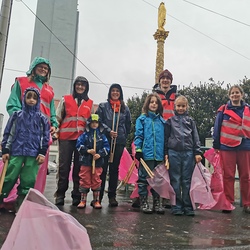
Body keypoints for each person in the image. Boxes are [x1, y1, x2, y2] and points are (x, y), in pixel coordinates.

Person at [5, 57, 57, 196]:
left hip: (40, 135)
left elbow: (52, 112)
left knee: (35, 170)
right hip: (21, 132)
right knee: (12, 168)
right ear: (33, 67)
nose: (43, 69)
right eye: (40, 66)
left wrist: (54, 125)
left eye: (46, 68)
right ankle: (6, 196)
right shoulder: (21, 82)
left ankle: (30, 198)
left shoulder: (49, 90)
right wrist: (20, 121)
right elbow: (12, 104)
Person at [0, 87, 50, 209]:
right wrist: (5, 149)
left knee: (29, 179)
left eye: (34, 97)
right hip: (16, 150)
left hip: (33, 153)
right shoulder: (17, 116)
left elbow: (45, 136)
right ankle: (1, 196)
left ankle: (21, 203)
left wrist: (42, 152)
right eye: (29, 97)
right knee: (10, 175)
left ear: (38, 100)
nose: (31, 100)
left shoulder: (42, 119)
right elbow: (9, 133)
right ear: (24, 99)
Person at [54, 76, 93, 206]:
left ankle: (77, 195)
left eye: (83, 85)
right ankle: (60, 195)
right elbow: (58, 117)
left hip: (81, 141)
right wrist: (55, 132)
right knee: (63, 168)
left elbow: (90, 124)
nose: (80, 87)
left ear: (86, 88)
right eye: (78, 84)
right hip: (65, 139)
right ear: (75, 86)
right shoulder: (66, 99)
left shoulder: (89, 103)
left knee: (79, 169)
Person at [213, 85, 250, 214]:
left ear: (241, 94)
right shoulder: (223, 110)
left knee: (245, 176)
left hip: (245, 146)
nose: (235, 95)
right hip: (226, 147)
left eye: (237, 92)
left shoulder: (248, 109)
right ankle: (228, 202)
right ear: (229, 96)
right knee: (228, 176)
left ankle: (247, 203)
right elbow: (217, 128)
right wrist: (216, 145)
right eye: (232, 93)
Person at [165, 95, 202, 216]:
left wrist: (197, 152)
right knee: (175, 179)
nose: (181, 108)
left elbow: (195, 137)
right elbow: (166, 139)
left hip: (188, 153)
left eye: (183, 106)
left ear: (187, 107)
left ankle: (188, 205)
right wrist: (166, 153)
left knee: (187, 180)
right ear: (175, 107)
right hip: (174, 152)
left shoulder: (191, 121)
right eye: (178, 106)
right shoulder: (170, 121)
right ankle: (176, 206)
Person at [96, 83, 131, 207]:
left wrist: (122, 136)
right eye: (113, 90)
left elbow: (128, 125)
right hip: (104, 141)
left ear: (120, 93)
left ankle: (112, 196)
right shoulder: (103, 106)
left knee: (114, 169)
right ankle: (98, 196)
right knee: (103, 168)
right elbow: (98, 122)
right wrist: (108, 131)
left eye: (117, 91)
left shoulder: (125, 108)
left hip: (119, 142)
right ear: (110, 92)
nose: (115, 93)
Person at [134, 93, 166, 214]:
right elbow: (138, 135)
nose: (154, 104)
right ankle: (144, 202)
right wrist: (138, 150)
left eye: (156, 102)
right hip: (146, 155)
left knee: (158, 180)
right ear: (148, 104)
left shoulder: (162, 122)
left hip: (158, 155)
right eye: (151, 102)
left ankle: (157, 202)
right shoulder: (142, 119)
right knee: (143, 179)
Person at [76, 114, 110, 209]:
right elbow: (79, 145)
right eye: (93, 122)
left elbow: (107, 147)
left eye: (96, 122)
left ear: (99, 124)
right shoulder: (84, 135)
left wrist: (100, 154)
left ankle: (96, 200)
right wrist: (87, 151)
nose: (94, 124)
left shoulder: (102, 136)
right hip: (85, 162)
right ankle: (83, 200)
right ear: (89, 124)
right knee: (84, 179)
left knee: (96, 180)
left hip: (98, 163)